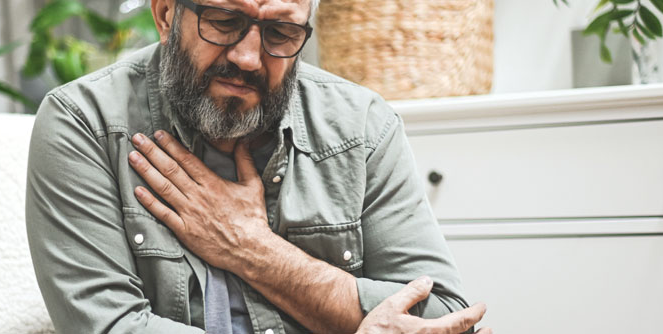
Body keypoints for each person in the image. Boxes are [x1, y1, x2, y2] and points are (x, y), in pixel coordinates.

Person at [25, 0, 491, 333]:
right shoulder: (83, 123)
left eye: (281, 33)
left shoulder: (363, 126)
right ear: (166, 14)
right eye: (224, 21)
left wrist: (252, 248)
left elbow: (444, 318)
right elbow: (111, 326)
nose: (248, 57)